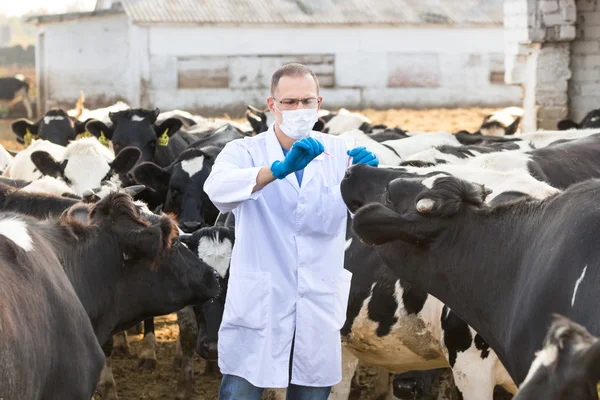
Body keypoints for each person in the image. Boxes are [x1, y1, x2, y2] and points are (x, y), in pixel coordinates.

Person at [204, 63, 379, 400]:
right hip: (261, 301)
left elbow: (364, 218)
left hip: (317, 298)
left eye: (307, 101)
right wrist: (277, 170)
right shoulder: (245, 152)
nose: (299, 109)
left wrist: (369, 183)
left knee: (312, 391)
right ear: (272, 105)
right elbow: (217, 190)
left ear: (319, 103)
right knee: (241, 389)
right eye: (289, 102)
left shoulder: (340, 152)